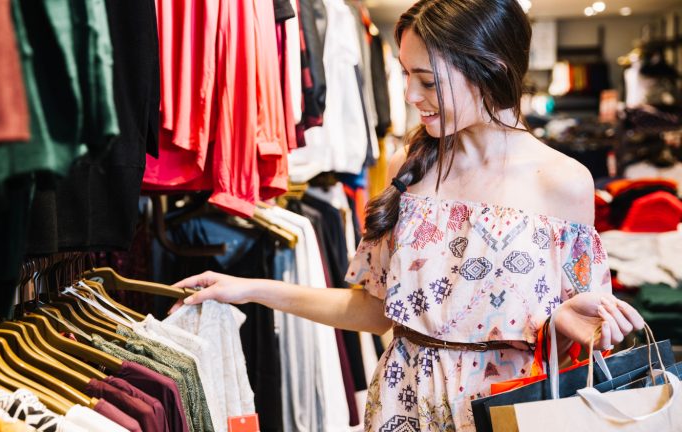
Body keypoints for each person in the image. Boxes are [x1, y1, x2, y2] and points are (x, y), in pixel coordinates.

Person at [173, 0, 645, 430]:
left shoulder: (563, 182)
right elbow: (373, 310)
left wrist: (574, 323)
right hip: (402, 405)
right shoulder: (410, 170)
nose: (410, 96)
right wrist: (250, 289)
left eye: (427, 80)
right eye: (405, 76)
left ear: (493, 68)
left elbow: (586, 342)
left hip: (509, 411)